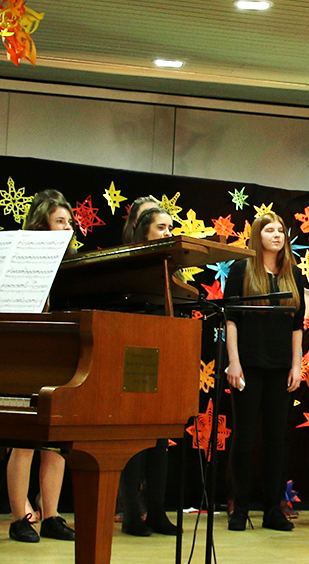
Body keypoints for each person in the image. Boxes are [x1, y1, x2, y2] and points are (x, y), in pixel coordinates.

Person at [3, 190, 77, 543]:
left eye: (70, 222)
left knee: (57, 440)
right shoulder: (23, 257)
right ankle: (19, 518)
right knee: (25, 441)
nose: (68, 227)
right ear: (41, 224)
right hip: (28, 352)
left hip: (61, 353)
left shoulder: (73, 264)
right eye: (60, 221)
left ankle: (52, 515)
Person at [224, 211, 305, 532]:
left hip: (280, 365)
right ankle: (240, 507)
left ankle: (273, 508)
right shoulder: (242, 270)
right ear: (257, 236)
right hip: (248, 364)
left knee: (276, 440)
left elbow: (297, 325)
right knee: (244, 437)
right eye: (270, 230)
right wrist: (234, 361)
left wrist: (296, 365)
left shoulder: (292, 274)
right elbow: (231, 319)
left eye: (281, 230)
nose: (277, 235)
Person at [115, 197, 181, 537]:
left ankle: (156, 510)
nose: (168, 233)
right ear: (143, 232)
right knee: (135, 438)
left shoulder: (171, 267)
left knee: (160, 439)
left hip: (166, 353)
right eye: (161, 228)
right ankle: (131, 513)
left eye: (170, 227)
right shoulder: (129, 265)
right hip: (136, 355)